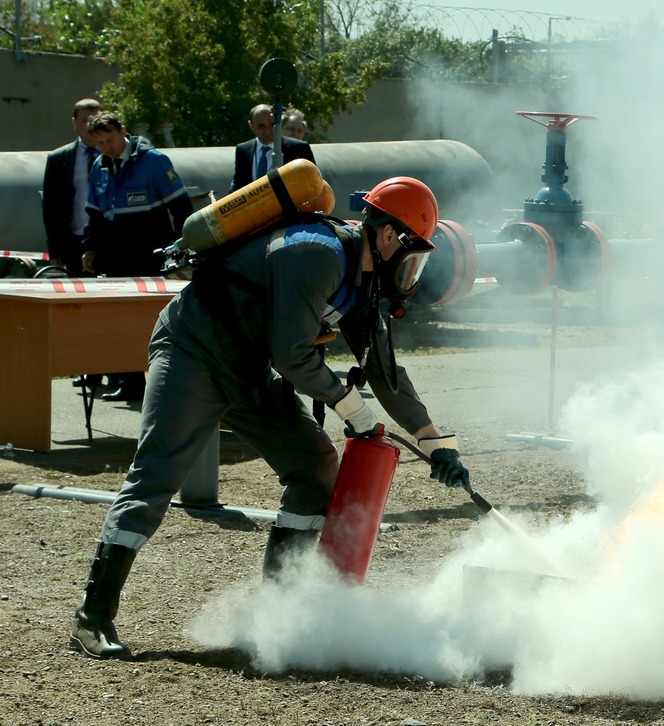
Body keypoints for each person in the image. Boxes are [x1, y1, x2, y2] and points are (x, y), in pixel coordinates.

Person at [68, 176, 471, 661]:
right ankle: (92, 617)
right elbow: (293, 356)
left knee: (315, 467)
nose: (412, 268)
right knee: (156, 475)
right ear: (390, 235)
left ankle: (277, 616)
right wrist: (353, 409)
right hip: (193, 352)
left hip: (248, 369)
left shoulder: (361, 283)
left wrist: (436, 443)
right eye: (415, 253)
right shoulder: (317, 253)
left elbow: (387, 374)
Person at [82, 111, 195, 402]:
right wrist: (90, 248)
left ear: (123, 131)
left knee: (157, 321)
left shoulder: (154, 161)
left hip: (151, 258)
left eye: (110, 139)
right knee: (121, 321)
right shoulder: (99, 167)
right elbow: (94, 214)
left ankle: (169, 383)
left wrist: (180, 248)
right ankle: (131, 383)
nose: (107, 147)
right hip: (115, 259)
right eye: (100, 143)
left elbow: (181, 208)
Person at [42, 98, 102, 278]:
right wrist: (55, 249)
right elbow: (50, 206)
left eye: (95, 121)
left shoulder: (115, 154)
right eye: (85, 121)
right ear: (74, 123)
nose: (90, 126)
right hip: (73, 240)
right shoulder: (59, 159)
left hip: (105, 239)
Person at [230, 104, 315, 192]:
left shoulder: (299, 149)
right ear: (251, 125)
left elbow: (313, 183)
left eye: (272, 124)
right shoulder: (243, 150)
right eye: (261, 126)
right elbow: (237, 187)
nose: (268, 131)